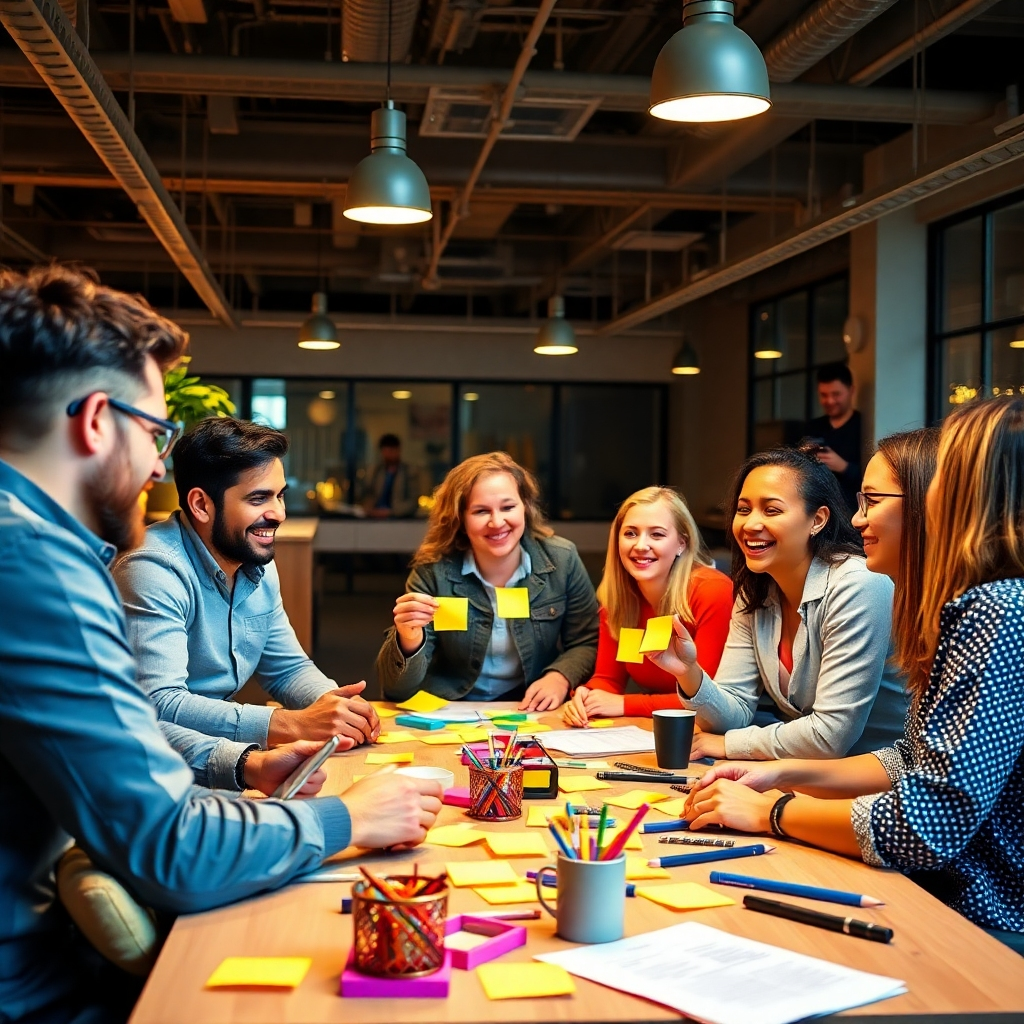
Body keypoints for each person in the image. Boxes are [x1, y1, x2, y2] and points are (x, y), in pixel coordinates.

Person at [0, 266, 442, 1024]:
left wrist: (270, 748)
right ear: (97, 421)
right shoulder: (38, 567)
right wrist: (351, 818)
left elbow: (161, 750)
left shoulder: (36, 546)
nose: (157, 467)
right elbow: (172, 848)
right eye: (155, 434)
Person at [682, 403, 1024, 949]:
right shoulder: (959, 606)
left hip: (983, 908)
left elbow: (926, 825)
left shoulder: (994, 610)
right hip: (938, 882)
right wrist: (781, 774)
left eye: (872, 501)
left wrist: (774, 810)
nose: (858, 519)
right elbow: (908, 759)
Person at [114, 417, 381, 751]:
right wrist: (291, 724)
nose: (279, 513)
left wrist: (336, 705)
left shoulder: (254, 561)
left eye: (280, 496)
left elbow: (287, 668)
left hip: (221, 751)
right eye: (259, 499)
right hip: (153, 759)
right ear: (201, 505)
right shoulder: (153, 569)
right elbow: (159, 703)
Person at [649, 446, 907, 760]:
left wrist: (730, 745)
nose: (750, 524)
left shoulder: (858, 584)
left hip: (879, 777)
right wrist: (688, 672)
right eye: (743, 509)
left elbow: (830, 735)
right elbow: (734, 713)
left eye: (771, 510)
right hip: (805, 770)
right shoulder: (755, 591)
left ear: (817, 520)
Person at [377, 452, 599, 710]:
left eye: (508, 507)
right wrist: (408, 639)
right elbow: (397, 689)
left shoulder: (562, 559)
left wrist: (559, 677)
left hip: (528, 706)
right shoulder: (433, 571)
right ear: (460, 519)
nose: (497, 522)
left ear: (525, 507)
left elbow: (586, 641)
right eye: (481, 511)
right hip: (450, 709)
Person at [563, 486, 733, 727]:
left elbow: (708, 701)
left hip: (707, 731)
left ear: (681, 544)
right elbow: (608, 680)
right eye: (631, 533)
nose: (641, 545)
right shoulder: (618, 599)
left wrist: (624, 704)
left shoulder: (713, 592)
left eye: (657, 535)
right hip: (653, 729)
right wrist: (587, 696)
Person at [806, 362, 862, 514]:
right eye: (824, 395)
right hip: (816, 508)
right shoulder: (812, 427)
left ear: (851, 391)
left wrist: (844, 467)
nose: (830, 401)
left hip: (851, 511)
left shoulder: (864, 426)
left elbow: (872, 478)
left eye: (836, 394)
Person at [362, 432, 418, 518]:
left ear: (398, 450)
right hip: (374, 518)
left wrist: (391, 512)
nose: (388, 455)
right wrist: (369, 509)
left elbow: (413, 503)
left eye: (391, 451)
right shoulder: (375, 472)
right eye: (385, 452)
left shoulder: (409, 472)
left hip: (400, 520)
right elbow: (367, 494)